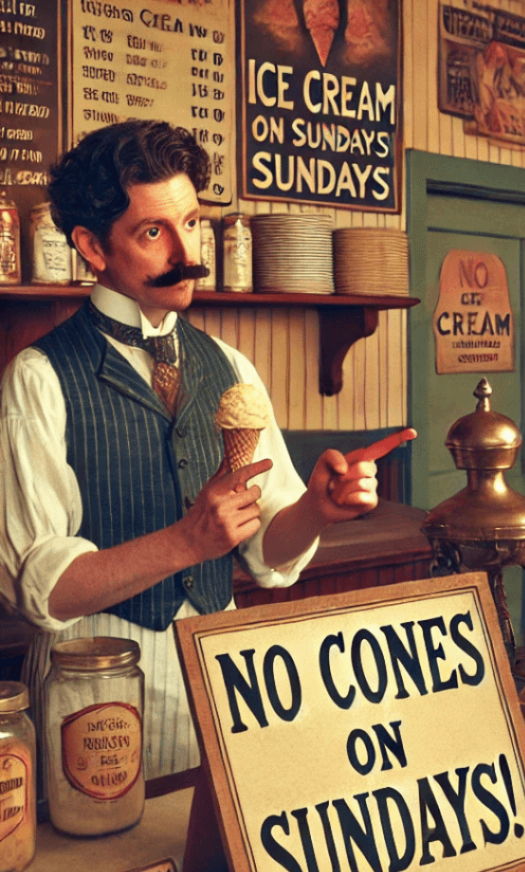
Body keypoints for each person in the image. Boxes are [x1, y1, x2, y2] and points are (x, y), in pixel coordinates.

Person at [0, 120, 415, 780]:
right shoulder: (38, 379)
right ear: (90, 246)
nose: (185, 250)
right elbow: (43, 588)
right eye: (152, 232)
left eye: (190, 223)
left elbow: (270, 549)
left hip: (219, 676)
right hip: (96, 690)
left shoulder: (231, 367)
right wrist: (187, 542)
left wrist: (314, 508)